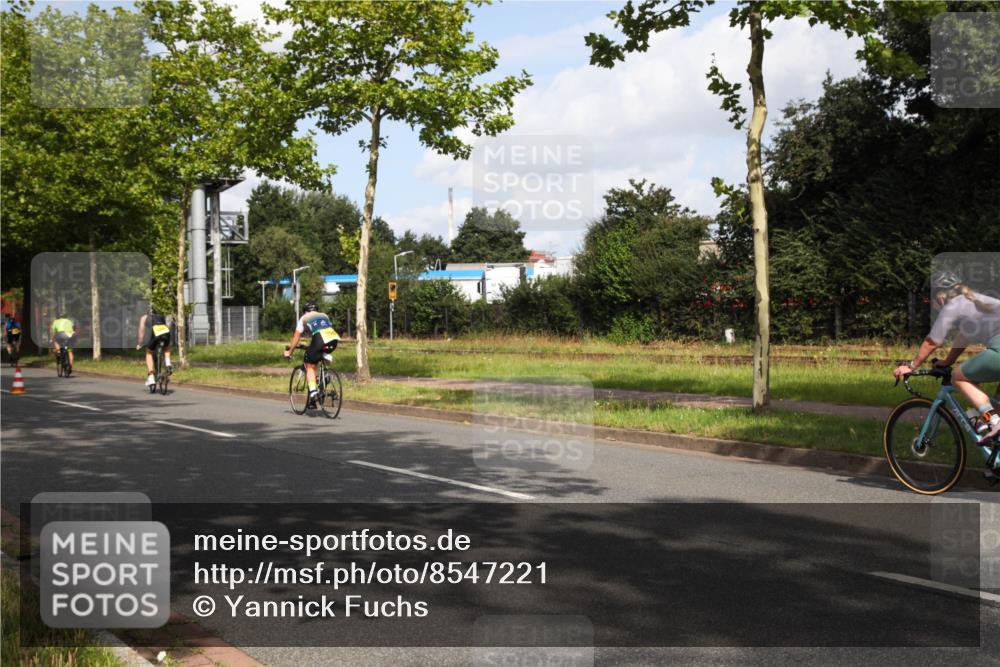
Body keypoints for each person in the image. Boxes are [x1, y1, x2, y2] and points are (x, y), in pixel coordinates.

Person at [893, 271, 1000, 446]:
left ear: (940, 296)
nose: (932, 306)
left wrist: (911, 366)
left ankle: (994, 421)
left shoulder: (953, 304)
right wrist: (947, 362)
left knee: (958, 376)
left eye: (931, 301)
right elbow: (964, 337)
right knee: (997, 405)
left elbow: (932, 342)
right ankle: (995, 465)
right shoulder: (974, 301)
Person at [283, 301, 340, 408]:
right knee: (317, 355)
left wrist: (289, 351)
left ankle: (313, 393)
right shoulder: (324, 315)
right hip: (334, 339)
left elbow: (296, 337)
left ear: (305, 311)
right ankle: (324, 377)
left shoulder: (304, 318)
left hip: (320, 339)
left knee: (309, 365)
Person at [136, 308, 172, 388]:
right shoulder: (162, 316)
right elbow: (168, 325)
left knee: (149, 352)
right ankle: (168, 362)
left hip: (155, 334)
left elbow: (141, 331)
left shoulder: (144, 317)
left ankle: (151, 376)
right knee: (167, 347)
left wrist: (140, 343)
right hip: (166, 333)